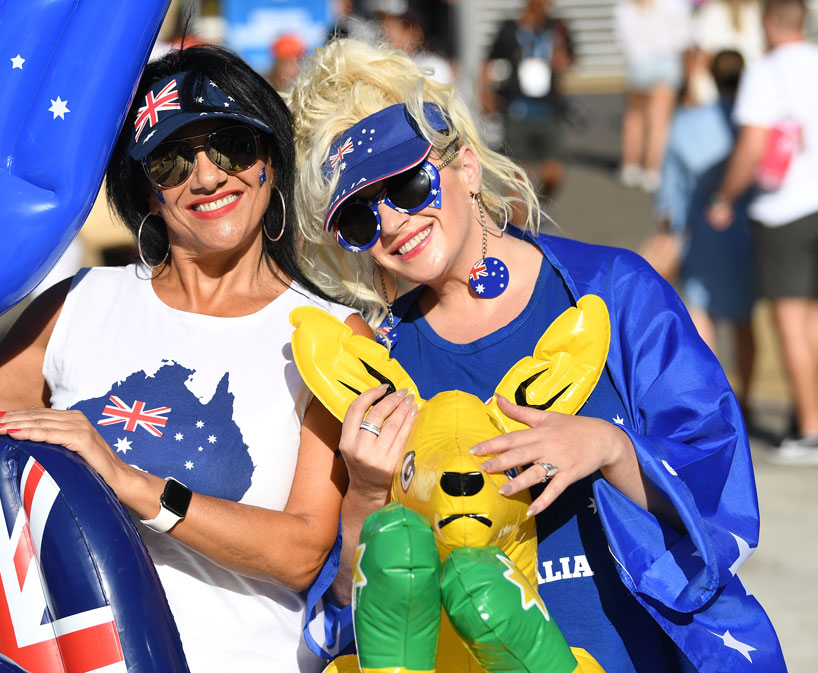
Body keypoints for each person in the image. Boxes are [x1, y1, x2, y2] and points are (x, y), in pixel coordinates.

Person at [0, 44, 367, 673]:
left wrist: (134, 484)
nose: (207, 177)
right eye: (173, 159)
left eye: (232, 146)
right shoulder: (85, 300)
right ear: (147, 192)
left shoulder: (330, 335)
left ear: (270, 161)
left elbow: (302, 551)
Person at [289, 38, 786, 672]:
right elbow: (350, 620)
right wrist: (363, 494)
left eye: (408, 185)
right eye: (358, 216)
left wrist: (609, 448)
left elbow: (720, 488)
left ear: (465, 165)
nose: (390, 222)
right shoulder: (380, 359)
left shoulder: (612, 290)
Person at [707, 0, 818, 464]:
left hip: (784, 209)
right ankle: (807, 412)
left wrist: (724, 197)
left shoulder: (766, 71)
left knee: (789, 321)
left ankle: (811, 430)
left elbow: (753, 143)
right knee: (813, 319)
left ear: (770, 23)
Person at [655, 50, 757, 421]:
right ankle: (746, 397)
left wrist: (667, 231)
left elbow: (670, 188)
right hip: (748, 228)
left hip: (700, 229)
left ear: (711, 77)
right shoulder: (751, 123)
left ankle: (715, 402)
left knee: (701, 315)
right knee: (745, 322)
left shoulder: (688, 122)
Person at [481, 0, 575, 200]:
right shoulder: (509, 28)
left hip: (550, 110)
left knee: (553, 172)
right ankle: (519, 227)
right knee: (519, 176)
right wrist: (486, 94)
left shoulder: (557, 28)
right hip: (516, 110)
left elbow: (570, 59)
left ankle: (543, 208)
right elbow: (488, 62)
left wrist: (561, 58)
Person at [615, 0, 693, 192]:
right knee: (659, 120)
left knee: (635, 115)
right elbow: (683, 37)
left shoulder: (626, 7)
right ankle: (652, 169)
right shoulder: (673, 4)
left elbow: (621, 38)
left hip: (637, 62)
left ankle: (630, 165)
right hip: (665, 60)